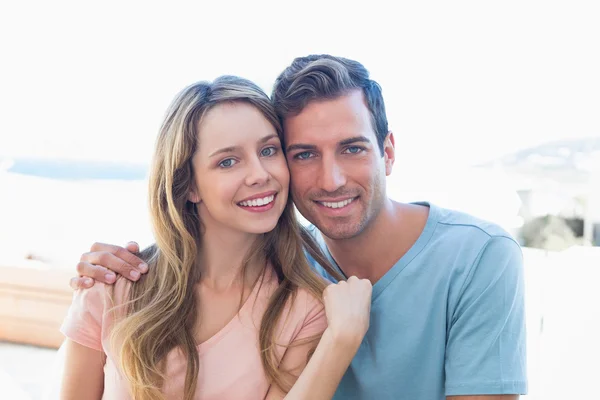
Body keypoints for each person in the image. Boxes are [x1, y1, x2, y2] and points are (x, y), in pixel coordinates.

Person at [70, 55, 527, 400]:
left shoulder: (478, 256)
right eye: (304, 154)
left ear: (388, 152)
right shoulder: (278, 267)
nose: (331, 180)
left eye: (352, 148)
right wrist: (112, 269)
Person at [59, 75, 373, 400]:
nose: (260, 174)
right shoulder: (111, 286)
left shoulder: (303, 309)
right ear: (190, 185)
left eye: (268, 150)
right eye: (228, 161)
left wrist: (342, 340)